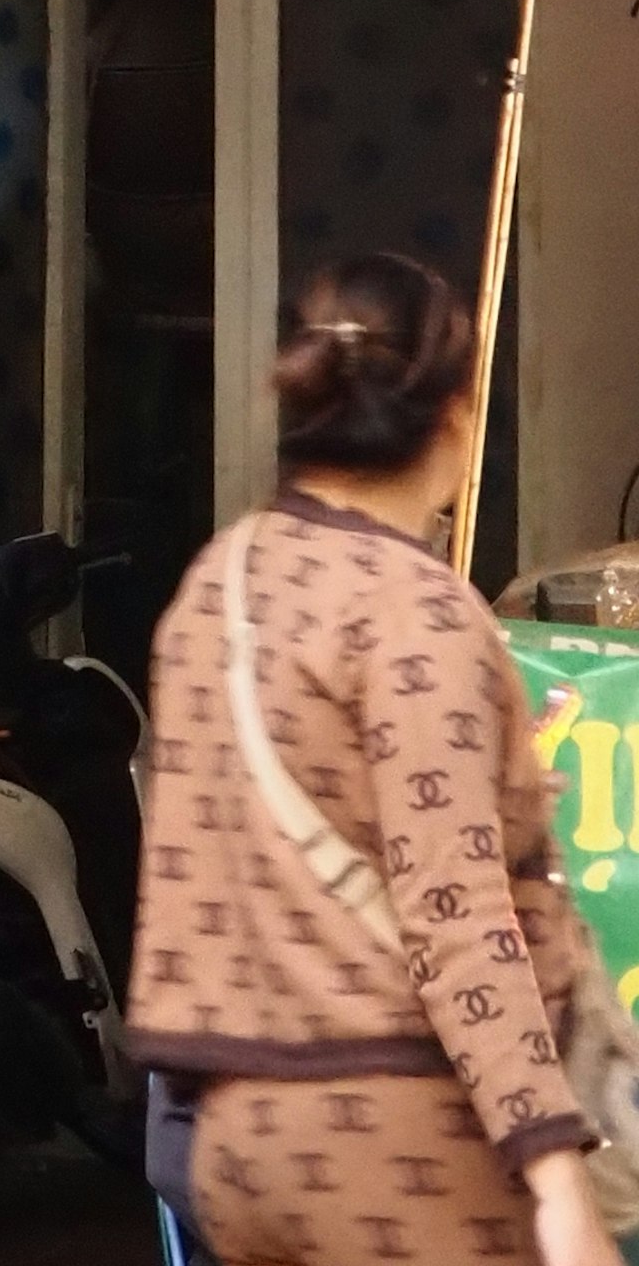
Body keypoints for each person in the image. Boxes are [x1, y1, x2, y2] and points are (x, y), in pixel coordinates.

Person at [130, 248, 615, 1264]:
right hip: (396, 1151)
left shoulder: (218, 582)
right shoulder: (417, 609)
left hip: (227, 1148)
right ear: (454, 419)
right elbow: (457, 915)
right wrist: (555, 1167)